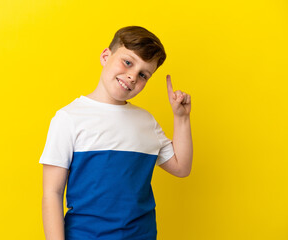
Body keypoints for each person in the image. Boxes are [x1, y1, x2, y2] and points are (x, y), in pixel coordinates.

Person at [39, 26, 193, 240]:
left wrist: (181, 117)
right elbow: (52, 194)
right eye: (128, 62)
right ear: (105, 56)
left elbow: (181, 167)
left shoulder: (146, 121)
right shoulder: (68, 119)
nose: (132, 77)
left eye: (143, 75)